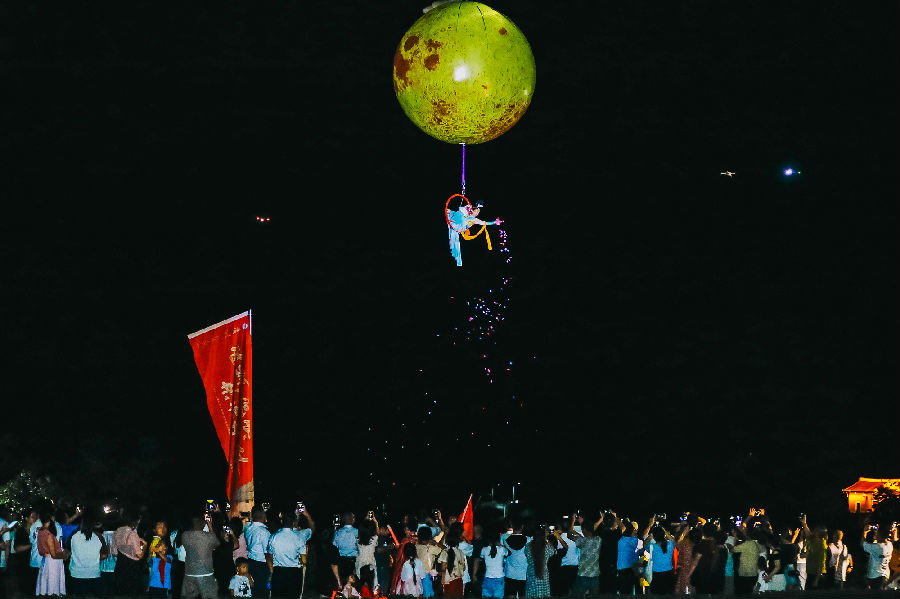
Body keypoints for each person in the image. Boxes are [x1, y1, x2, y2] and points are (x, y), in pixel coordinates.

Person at [447, 199, 502, 267]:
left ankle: (455, 262)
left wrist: (494, 222)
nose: (477, 214)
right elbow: (456, 213)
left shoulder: (475, 220)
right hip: (454, 224)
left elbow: (485, 223)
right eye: (476, 212)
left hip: (457, 229)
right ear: (472, 211)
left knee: (454, 246)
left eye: (478, 213)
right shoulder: (465, 214)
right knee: (453, 243)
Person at [266, 512, 306, 598]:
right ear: (293, 523)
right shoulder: (299, 538)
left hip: (278, 572)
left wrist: (273, 571)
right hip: (294, 574)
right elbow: (304, 560)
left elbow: (269, 557)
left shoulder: (273, 537)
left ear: (282, 522)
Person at [181, 516, 221, 599]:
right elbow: (217, 543)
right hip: (206, 574)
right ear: (203, 524)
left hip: (190, 574)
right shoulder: (208, 537)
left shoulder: (185, 535)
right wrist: (210, 526)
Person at [68, 516, 107, 597]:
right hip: (93, 574)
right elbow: (104, 555)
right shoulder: (99, 537)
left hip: (76, 574)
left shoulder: (74, 536)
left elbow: (70, 551)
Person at [111, 511, 146, 596]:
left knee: (120, 592)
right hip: (132, 568)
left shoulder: (117, 531)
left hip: (120, 565)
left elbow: (114, 552)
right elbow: (139, 555)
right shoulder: (132, 534)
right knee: (131, 592)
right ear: (136, 521)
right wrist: (145, 545)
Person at [35, 514, 67, 596]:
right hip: (52, 562)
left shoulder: (40, 531)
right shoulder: (49, 535)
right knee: (53, 582)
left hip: (45, 560)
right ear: (49, 521)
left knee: (46, 582)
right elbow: (53, 555)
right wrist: (64, 556)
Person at [244, 506, 272, 596]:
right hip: (261, 565)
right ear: (263, 516)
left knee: (254, 590)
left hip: (251, 562)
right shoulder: (264, 532)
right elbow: (267, 554)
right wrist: (272, 570)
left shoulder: (248, 528)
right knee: (262, 591)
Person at [524, 527, 556, 598]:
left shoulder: (528, 546)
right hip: (543, 573)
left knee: (532, 594)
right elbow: (554, 552)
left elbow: (526, 555)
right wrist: (547, 540)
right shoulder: (547, 546)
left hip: (531, 573)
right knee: (543, 595)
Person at [438, 523, 468, 597]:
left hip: (448, 580)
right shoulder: (461, 552)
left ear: (447, 541)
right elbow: (464, 568)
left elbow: (443, 568)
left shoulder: (445, 552)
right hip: (459, 580)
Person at [501, 523, 530, 599]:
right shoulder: (529, 540)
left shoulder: (505, 539)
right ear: (522, 527)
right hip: (524, 573)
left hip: (509, 573)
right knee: (523, 595)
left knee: (510, 595)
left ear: (513, 527)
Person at [645, 524, 675, 595]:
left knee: (657, 594)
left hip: (656, 575)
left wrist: (651, 534)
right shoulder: (670, 545)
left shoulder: (651, 547)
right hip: (668, 573)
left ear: (654, 537)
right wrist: (664, 531)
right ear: (663, 535)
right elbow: (673, 540)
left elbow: (645, 543)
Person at [415, 525, 444, 598]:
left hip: (417, 574)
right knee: (428, 594)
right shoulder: (431, 548)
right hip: (427, 574)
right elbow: (445, 550)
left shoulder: (416, 546)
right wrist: (435, 543)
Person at [616, 520, 642, 595]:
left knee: (623, 592)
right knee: (633, 590)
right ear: (634, 530)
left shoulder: (620, 540)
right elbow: (641, 552)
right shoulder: (637, 541)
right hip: (632, 569)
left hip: (621, 569)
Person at [476, 532, 506, 599]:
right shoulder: (501, 549)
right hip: (499, 577)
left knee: (486, 597)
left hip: (487, 577)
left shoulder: (484, 549)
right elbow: (509, 553)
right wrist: (503, 545)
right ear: (498, 539)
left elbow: (482, 558)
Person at [148, 521, 174, 597]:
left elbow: (168, 560)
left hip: (164, 586)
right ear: (154, 530)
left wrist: (158, 552)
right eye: (159, 527)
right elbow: (149, 561)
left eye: (164, 526)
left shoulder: (169, 556)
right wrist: (151, 552)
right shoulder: (154, 541)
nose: (162, 529)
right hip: (154, 584)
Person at [333, 513, 359, 583]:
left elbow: (334, 546)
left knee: (344, 582)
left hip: (342, 561)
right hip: (354, 561)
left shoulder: (338, 532)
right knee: (354, 583)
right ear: (352, 520)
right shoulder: (357, 532)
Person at [356, 518, 378, 591]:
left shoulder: (358, 540)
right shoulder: (374, 539)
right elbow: (376, 530)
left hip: (360, 565)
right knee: (370, 589)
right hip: (370, 565)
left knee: (360, 589)